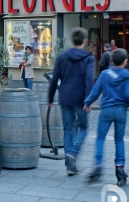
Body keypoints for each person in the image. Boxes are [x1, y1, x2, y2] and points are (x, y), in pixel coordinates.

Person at [48, 27, 95, 175]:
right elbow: (88, 79)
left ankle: (70, 166)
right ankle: (73, 153)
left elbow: (54, 79)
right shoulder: (89, 57)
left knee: (67, 129)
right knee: (83, 127)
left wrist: (50, 98)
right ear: (85, 41)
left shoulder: (62, 57)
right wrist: (89, 100)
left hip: (65, 97)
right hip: (80, 98)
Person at [85, 49, 129, 184]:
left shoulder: (104, 74)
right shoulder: (127, 75)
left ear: (112, 61)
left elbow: (95, 90)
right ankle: (120, 167)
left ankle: (98, 165)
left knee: (100, 138)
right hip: (121, 110)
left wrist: (87, 102)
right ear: (125, 61)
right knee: (119, 140)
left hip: (106, 110)